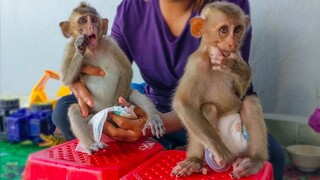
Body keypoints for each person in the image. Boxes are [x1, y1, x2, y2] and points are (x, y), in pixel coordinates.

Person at [52, 0, 285, 179]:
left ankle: (160, 144)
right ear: (199, 28)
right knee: (65, 109)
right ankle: (157, 145)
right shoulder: (133, 8)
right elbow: (110, 70)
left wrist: (163, 123)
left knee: (271, 156)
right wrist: (77, 77)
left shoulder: (227, 9)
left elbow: (237, 90)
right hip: (156, 100)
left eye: (236, 31)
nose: (232, 39)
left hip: (209, 110)